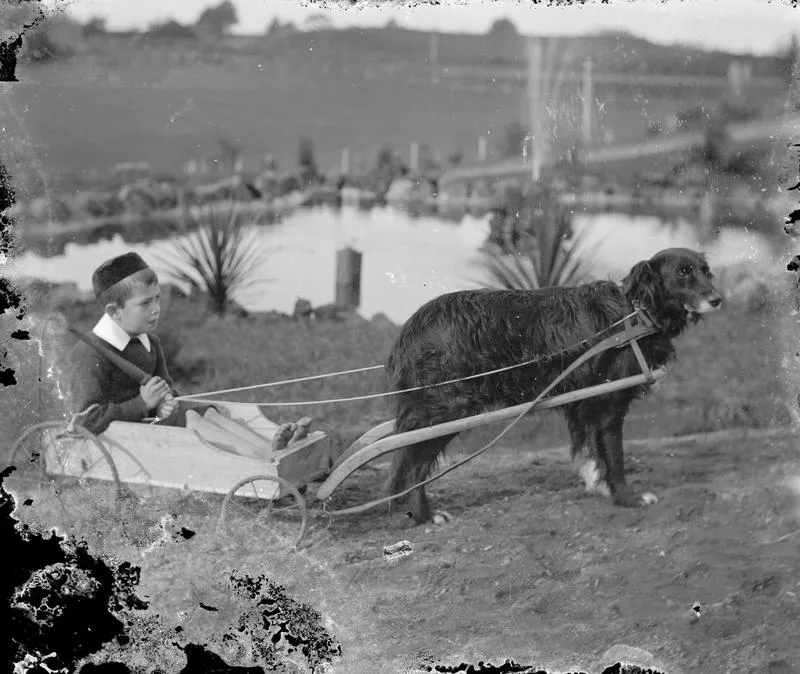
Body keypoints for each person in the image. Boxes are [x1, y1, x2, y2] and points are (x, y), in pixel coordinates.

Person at [68, 252, 179, 435]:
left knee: (205, 415)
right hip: (118, 441)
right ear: (114, 311)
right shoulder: (89, 354)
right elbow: (86, 420)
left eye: (157, 299)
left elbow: (166, 388)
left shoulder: (150, 342)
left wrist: (165, 404)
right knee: (197, 423)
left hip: (149, 430)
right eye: (145, 303)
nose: (156, 309)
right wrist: (142, 404)